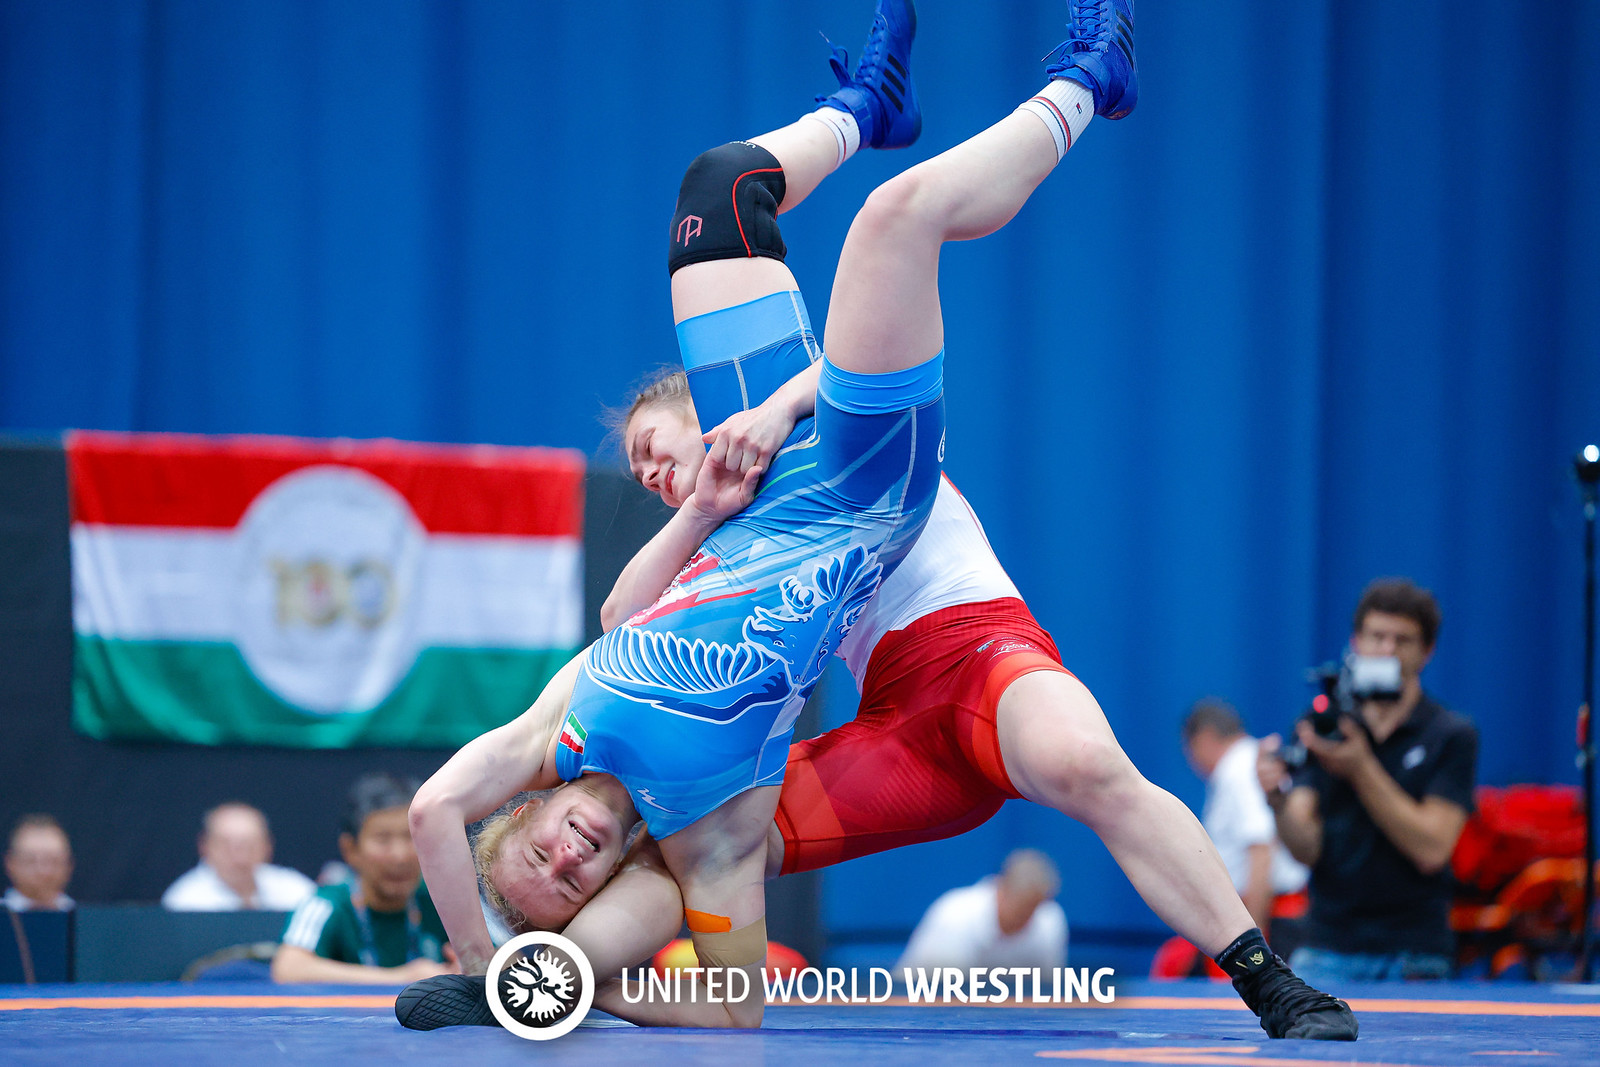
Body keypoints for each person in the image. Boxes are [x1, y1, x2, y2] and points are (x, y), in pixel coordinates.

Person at [401, 0, 1356, 1041]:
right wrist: (525, 978)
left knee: (728, 191)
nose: (648, 472)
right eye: (640, 473)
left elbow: (613, 616)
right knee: (692, 846)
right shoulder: (700, 568)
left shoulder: (741, 440)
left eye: (647, 444)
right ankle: (1267, 975)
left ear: (691, 402)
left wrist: (759, 419)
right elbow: (629, 613)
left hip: (871, 521)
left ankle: (890, 104)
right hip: (913, 671)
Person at [1257, 578, 1478, 982]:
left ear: (1427, 651)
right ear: (1356, 642)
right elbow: (1305, 848)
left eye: (1403, 640)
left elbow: (1432, 848)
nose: (1388, 649)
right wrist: (1275, 798)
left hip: (1417, 954)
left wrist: (1361, 769)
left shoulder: (1451, 735)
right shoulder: (1322, 726)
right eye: (1377, 636)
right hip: (1327, 947)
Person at [272, 773, 453, 984]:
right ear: (350, 849)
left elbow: (498, 958)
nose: (400, 856)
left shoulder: (446, 900)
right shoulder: (326, 902)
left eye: (410, 837)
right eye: (383, 839)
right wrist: (403, 977)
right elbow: (288, 968)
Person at [1182, 700, 1308, 936]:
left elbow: (1261, 850)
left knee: (1174, 965)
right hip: (1262, 914)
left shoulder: (1239, 770)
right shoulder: (1245, 763)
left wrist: (1253, 941)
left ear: (1204, 739)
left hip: (1272, 918)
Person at [896, 849, 1067, 972]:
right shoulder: (956, 916)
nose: (1027, 917)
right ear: (1001, 890)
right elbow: (942, 996)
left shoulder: (1049, 919)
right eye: (1021, 908)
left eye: (1034, 908)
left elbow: (1045, 992)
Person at [162, 802, 317, 912]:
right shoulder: (184, 901)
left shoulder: (294, 889)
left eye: (250, 845)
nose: (240, 857)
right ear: (204, 845)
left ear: (268, 846)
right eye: (227, 845)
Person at [3, 815, 74, 912]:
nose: (43, 871)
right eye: (31, 861)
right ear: (10, 864)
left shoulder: (87, 921)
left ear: (69, 865)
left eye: (53, 861)